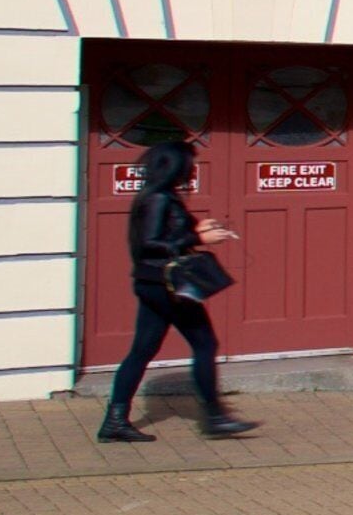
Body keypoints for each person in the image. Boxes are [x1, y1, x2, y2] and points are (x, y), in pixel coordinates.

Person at [100, 141, 256, 441]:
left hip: (151, 283)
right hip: (167, 285)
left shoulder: (154, 196)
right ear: (176, 167)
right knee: (205, 344)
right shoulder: (159, 198)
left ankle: (115, 421)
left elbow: (163, 237)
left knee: (142, 351)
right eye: (189, 166)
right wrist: (197, 236)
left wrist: (198, 228)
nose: (192, 172)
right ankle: (214, 417)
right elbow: (151, 242)